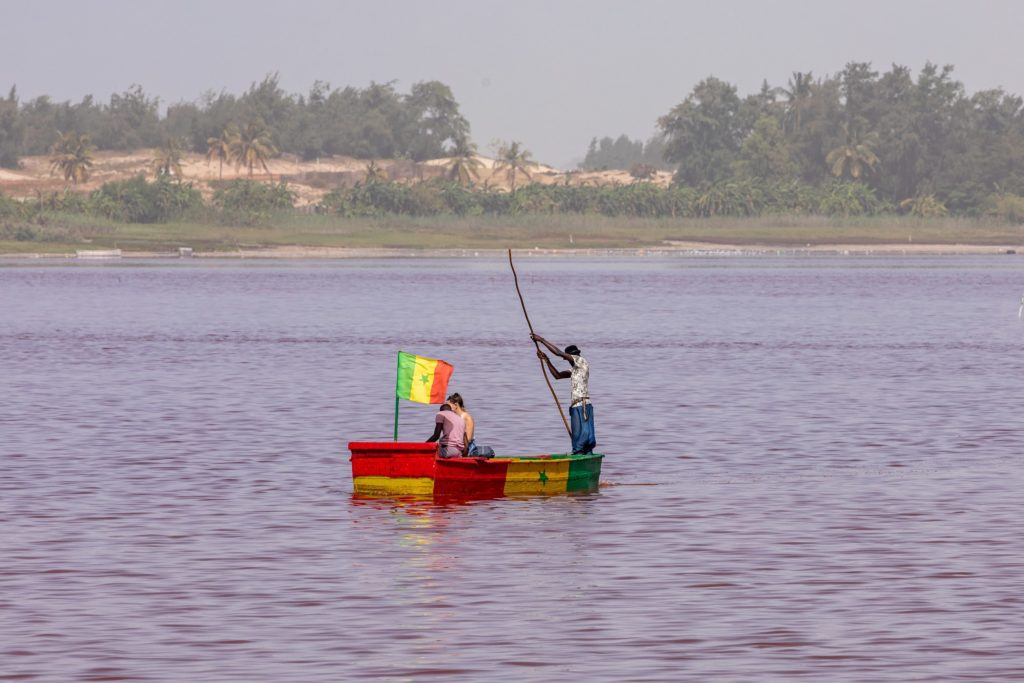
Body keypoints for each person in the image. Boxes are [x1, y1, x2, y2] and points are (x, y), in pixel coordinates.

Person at [531, 334, 596, 454]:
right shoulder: (575, 370)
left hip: (583, 405)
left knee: (585, 437)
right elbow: (557, 376)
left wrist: (541, 340)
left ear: (573, 356)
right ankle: (579, 454)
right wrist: (546, 360)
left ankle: (584, 454)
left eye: (567, 358)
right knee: (578, 437)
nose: (566, 360)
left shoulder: (581, 362)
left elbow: (559, 353)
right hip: (576, 406)